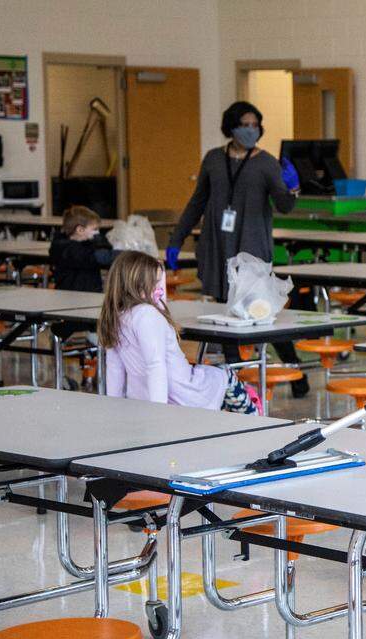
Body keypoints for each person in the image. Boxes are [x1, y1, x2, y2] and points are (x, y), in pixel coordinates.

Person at [166, 100, 309, 397]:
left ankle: (296, 372)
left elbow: (284, 205)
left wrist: (292, 187)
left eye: (255, 125)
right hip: (218, 247)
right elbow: (197, 201)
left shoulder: (267, 163)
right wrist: (176, 240)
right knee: (224, 315)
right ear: (231, 127)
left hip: (252, 249)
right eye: (245, 124)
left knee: (261, 314)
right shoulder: (214, 160)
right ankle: (237, 380)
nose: (250, 130)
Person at [99, 251, 260, 415]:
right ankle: (257, 423)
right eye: (154, 283)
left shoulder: (116, 315)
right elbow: (155, 365)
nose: (159, 290)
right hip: (182, 395)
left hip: (142, 398)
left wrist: (115, 409)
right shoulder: (147, 314)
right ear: (138, 285)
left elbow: (114, 367)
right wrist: (159, 413)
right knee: (225, 374)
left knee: (214, 373)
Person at [49, 205, 115, 293]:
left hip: (86, 294)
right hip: (71, 296)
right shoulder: (69, 249)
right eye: (95, 229)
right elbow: (98, 257)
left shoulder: (88, 244)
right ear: (80, 230)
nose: (97, 233)